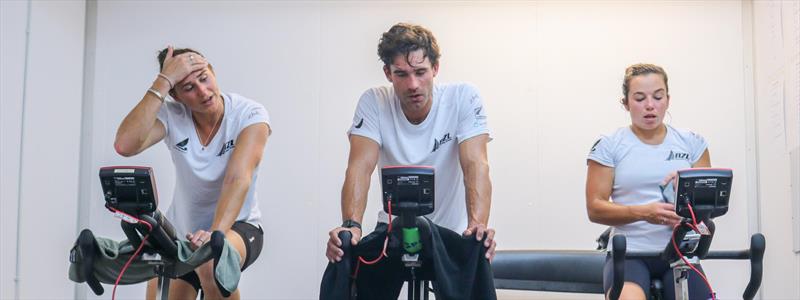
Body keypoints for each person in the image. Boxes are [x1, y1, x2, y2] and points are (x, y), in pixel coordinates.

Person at [325, 23, 497, 265]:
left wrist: (477, 225)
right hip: (393, 229)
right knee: (344, 253)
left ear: (435, 68)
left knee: (477, 252)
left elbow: (476, 164)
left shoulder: (463, 98)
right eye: (402, 74)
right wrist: (351, 226)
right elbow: (359, 168)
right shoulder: (374, 101)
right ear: (388, 73)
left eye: (420, 72)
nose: (413, 85)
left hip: (452, 232)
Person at [114, 46, 270, 300]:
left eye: (204, 77)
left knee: (210, 261)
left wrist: (215, 233)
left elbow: (238, 177)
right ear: (175, 96)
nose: (203, 91)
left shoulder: (249, 113)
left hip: (238, 227)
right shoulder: (172, 114)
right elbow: (125, 145)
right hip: (182, 234)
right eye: (188, 88)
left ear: (213, 71)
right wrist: (163, 81)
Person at [585, 63, 712, 300]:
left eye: (657, 96)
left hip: (681, 253)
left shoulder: (692, 143)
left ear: (668, 99)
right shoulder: (609, 145)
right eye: (640, 98)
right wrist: (643, 212)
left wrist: (685, 192)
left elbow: (707, 211)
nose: (650, 105)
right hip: (630, 255)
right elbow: (595, 208)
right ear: (625, 103)